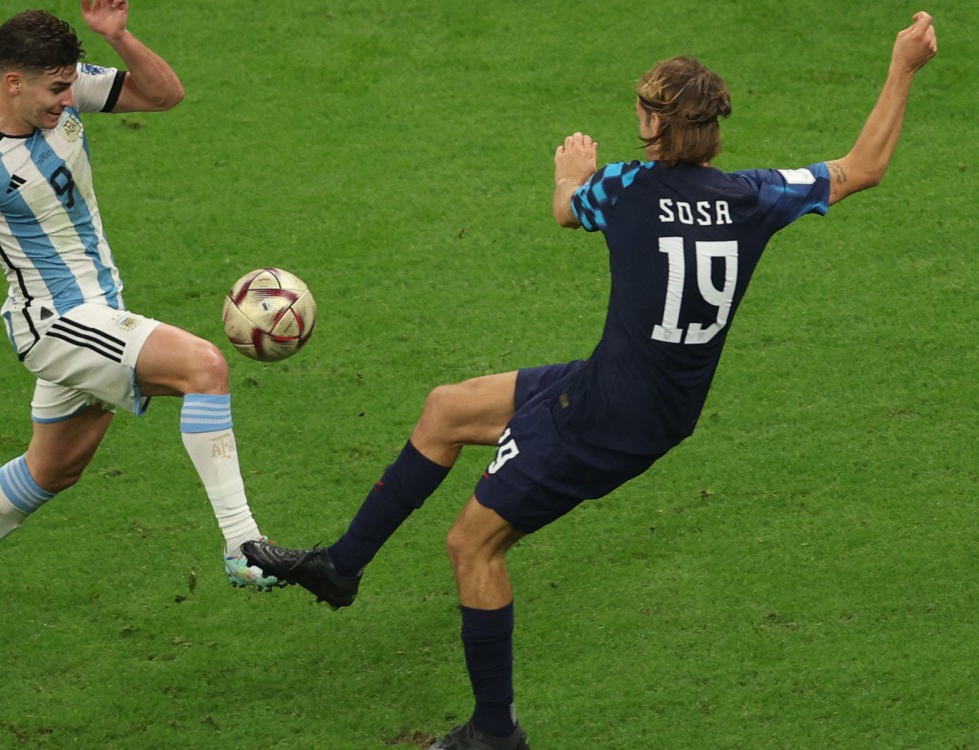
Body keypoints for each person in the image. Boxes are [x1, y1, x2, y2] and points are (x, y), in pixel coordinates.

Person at [245, 12, 938, 750]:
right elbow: (864, 166)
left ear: (655, 124)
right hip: (640, 392)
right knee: (447, 408)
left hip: (604, 418)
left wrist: (568, 173)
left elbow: (563, 211)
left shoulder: (625, 186)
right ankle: (341, 567)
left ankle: (494, 733)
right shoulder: (753, 196)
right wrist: (903, 66)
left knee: (472, 547)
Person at [0, 1, 280, 654]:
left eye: (70, 84)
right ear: (12, 81)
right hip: (55, 324)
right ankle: (244, 544)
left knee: (53, 470)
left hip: (100, 309)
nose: (66, 99)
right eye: (54, 89)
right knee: (204, 368)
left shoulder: (67, 91)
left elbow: (165, 95)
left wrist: (120, 37)